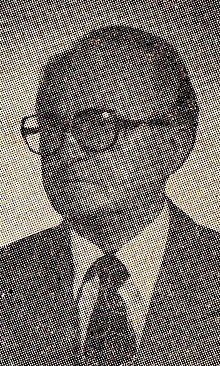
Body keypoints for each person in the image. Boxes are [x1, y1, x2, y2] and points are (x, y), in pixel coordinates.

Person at [1, 25, 219, 366]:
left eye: (98, 124)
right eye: (52, 126)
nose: (68, 148)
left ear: (176, 143)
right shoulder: (8, 277)